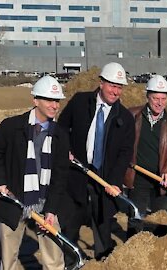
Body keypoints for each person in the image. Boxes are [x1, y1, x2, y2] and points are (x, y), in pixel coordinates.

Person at [0, 76, 69, 269]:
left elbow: (60, 175)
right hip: (13, 200)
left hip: (46, 202)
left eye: (57, 101)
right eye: (49, 100)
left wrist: (51, 211)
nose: (54, 105)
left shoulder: (61, 135)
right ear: (35, 100)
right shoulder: (11, 126)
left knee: (54, 258)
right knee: (9, 258)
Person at [58, 62, 135, 262]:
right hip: (76, 173)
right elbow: (62, 127)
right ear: (101, 83)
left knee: (103, 225)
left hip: (105, 178)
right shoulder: (80, 102)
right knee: (70, 224)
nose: (115, 91)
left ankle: (102, 262)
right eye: (112, 85)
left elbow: (125, 154)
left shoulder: (125, 118)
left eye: (119, 87)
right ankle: (70, 262)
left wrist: (115, 182)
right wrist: (64, 148)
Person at [124, 75, 167, 238]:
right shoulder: (133, 115)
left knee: (162, 220)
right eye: (155, 98)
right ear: (147, 97)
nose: (160, 103)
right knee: (136, 217)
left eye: (163, 98)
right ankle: (131, 253)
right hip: (138, 178)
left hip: (161, 179)